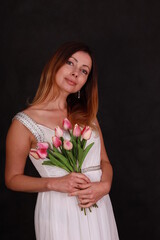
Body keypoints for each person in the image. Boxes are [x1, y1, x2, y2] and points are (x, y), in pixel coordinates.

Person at [5, 41, 119, 240]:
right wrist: (53, 184)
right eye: (70, 63)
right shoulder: (24, 123)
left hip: (98, 203)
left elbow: (104, 162)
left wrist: (105, 186)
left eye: (84, 71)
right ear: (55, 64)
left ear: (86, 81)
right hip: (60, 209)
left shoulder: (87, 115)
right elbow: (12, 179)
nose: (76, 73)